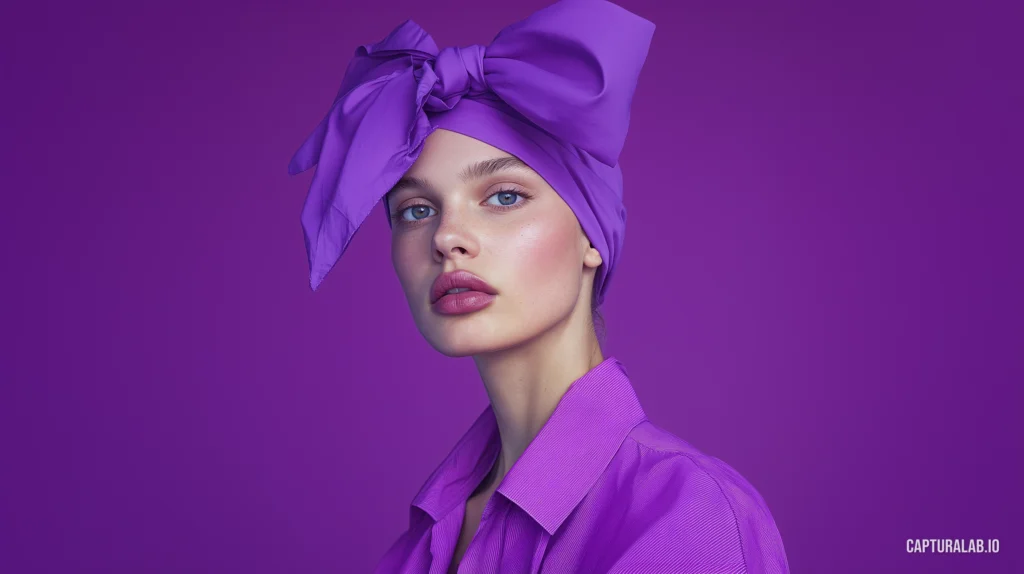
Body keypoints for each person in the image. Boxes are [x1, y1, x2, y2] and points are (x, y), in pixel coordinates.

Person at [288, 0, 790, 572]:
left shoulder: (686, 518)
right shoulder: (426, 537)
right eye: (416, 209)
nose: (446, 237)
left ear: (591, 236)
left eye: (504, 197)